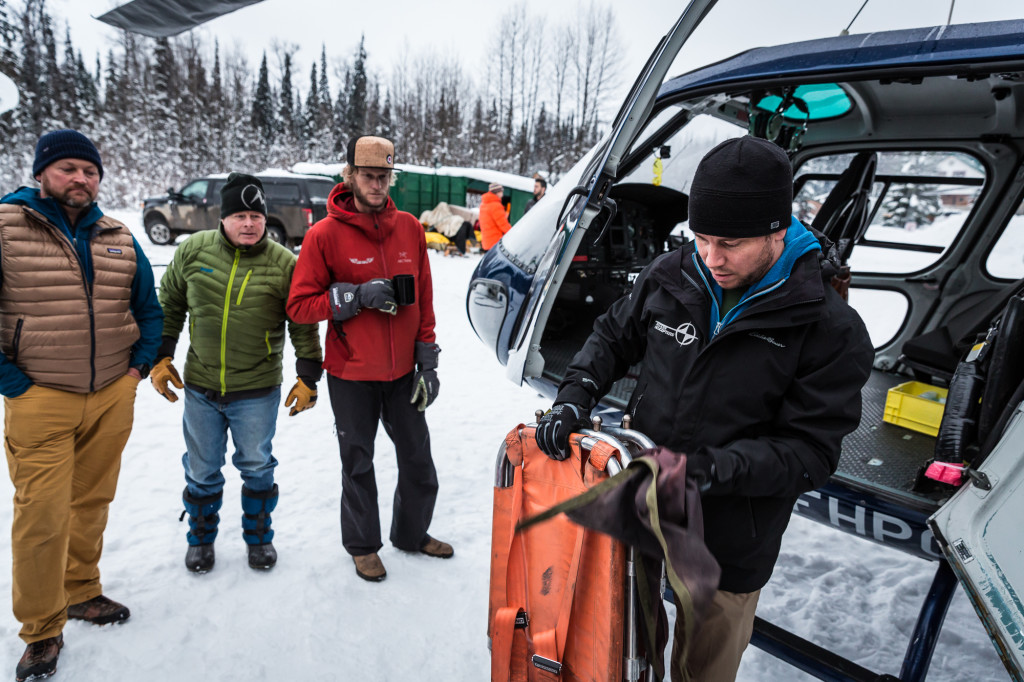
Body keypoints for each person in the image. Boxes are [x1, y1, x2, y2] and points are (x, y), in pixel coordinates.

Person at [534, 136, 874, 682]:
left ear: (776, 228)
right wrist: (575, 394)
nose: (712, 258)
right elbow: (614, 336)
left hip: (730, 537)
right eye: (702, 238)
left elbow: (809, 454)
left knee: (702, 668)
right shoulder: (673, 274)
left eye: (731, 243)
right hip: (644, 505)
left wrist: (705, 471)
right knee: (625, 643)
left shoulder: (830, 328)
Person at [0, 129, 163, 682]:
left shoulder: (117, 233)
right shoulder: (6, 227)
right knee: (41, 516)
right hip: (40, 395)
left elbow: (151, 308)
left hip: (111, 394)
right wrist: (13, 383)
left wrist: (136, 369)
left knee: (91, 502)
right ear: (42, 172)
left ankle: (81, 591)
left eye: (89, 170)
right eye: (68, 168)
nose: (80, 179)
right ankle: (42, 630)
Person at [286, 136, 452, 583]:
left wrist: (428, 359)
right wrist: (353, 297)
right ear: (351, 176)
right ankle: (362, 547)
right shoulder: (324, 235)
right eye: (368, 176)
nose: (377, 185)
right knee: (357, 462)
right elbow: (300, 305)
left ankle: (412, 533)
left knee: (418, 459)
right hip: (351, 373)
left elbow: (426, 300)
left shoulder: (411, 230)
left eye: (384, 177)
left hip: (402, 373)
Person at [151, 173, 323, 574]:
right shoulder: (194, 251)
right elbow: (170, 303)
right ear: (222, 218)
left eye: (257, 216)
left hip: (256, 389)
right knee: (201, 468)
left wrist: (309, 374)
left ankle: (259, 537)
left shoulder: (284, 263)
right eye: (240, 215)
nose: (249, 223)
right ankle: (201, 538)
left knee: (257, 465)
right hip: (200, 386)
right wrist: (160, 356)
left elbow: (302, 322)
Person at [479, 182, 513, 251]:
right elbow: (503, 224)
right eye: (501, 191)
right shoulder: (496, 205)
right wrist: (512, 233)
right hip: (495, 242)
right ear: (497, 192)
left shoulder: (484, 204)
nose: (502, 193)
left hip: (487, 241)